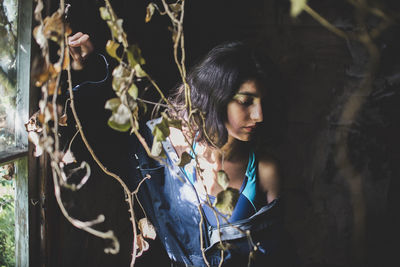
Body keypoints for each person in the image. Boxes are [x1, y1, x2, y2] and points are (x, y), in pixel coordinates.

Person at [68, 33, 296, 267]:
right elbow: (95, 134)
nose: (259, 115)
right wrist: (87, 65)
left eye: (262, 102)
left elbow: (274, 255)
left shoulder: (264, 171)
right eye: (246, 101)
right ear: (217, 96)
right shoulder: (166, 146)